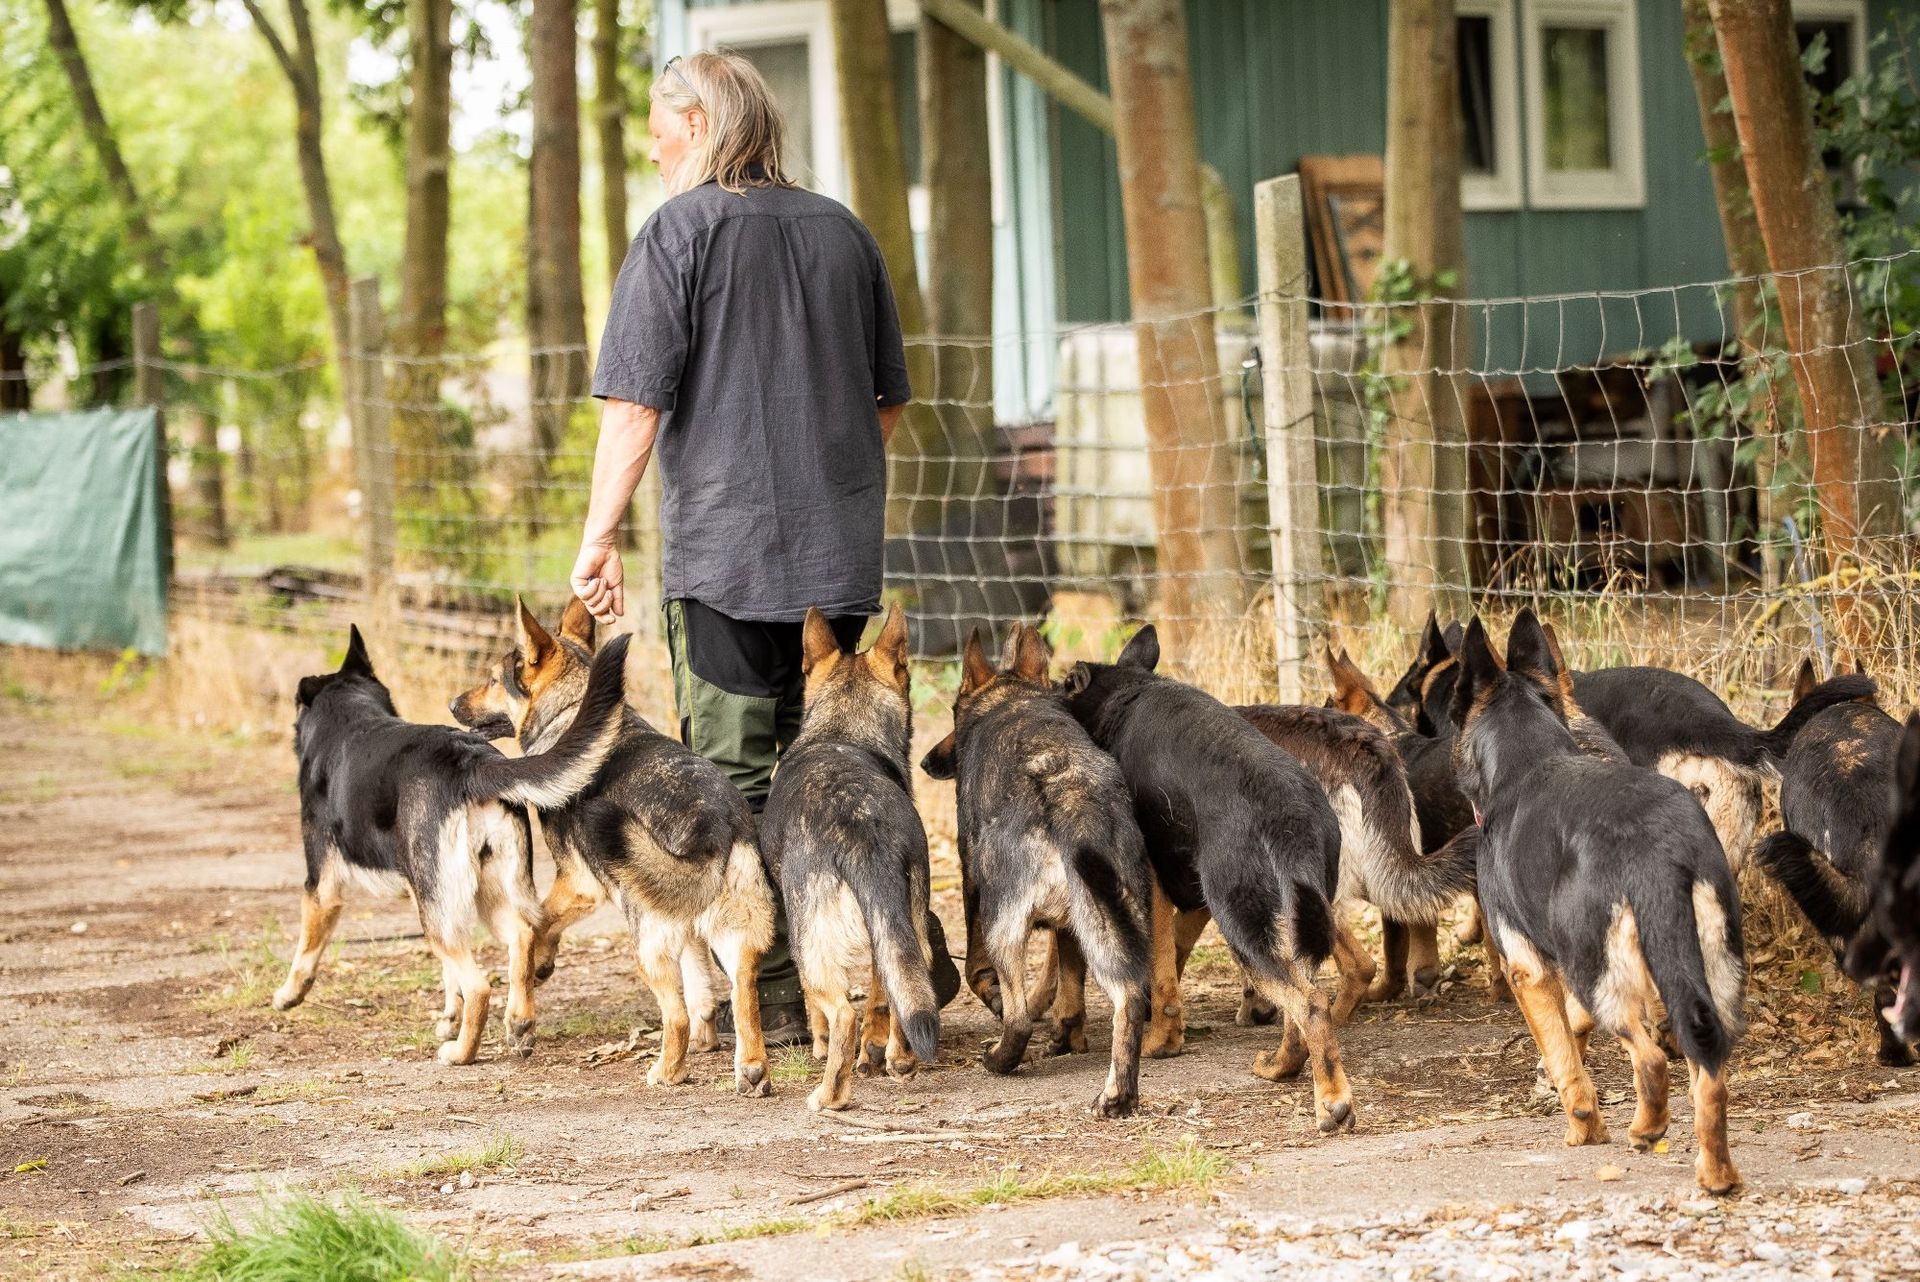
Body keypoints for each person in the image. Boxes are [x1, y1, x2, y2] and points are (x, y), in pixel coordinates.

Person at [571, 50, 956, 1044]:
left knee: (738, 779)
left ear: (698, 126)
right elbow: (889, 403)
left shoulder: (677, 233)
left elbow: (631, 410)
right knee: (849, 763)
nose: (655, 155)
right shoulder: (843, 232)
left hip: (727, 557)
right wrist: (823, 481)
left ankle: (781, 997)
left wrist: (599, 534)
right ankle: (903, 960)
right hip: (836, 563)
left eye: (660, 135)